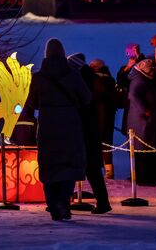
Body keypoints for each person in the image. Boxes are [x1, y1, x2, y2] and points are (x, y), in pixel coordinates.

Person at [30, 39, 91, 221]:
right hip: (70, 124)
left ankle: (52, 204)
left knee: (49, 166)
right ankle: (63, 203)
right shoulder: (73, 75)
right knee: (68, 165)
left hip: (47, 125)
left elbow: (33, 102)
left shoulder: (38, 77)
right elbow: (86, 98)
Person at [69, 54, 111, 214]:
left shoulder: (82, 81)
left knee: (75, 166)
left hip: (83, 128)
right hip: (91, 129)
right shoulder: (93, 80)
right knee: (92, 170)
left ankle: (63, 201)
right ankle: (103, 202)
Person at [127, 58, 156, 185]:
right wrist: (145, 110)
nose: (151, 70)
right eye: (149, 68)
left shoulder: (144, 79)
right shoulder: (139, 80)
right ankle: (144, 178)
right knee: (143, 148)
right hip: (141, 120)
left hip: (145, 119)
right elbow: (132, 95)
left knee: (146, 148)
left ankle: (147, 177)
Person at [88, 59, 118, 179]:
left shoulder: (93, 81)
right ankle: (108, 170)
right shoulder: (110, 80)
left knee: (96, 143)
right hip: (108, 117)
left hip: (96, 116)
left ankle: (96, 170)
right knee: (106, 143)